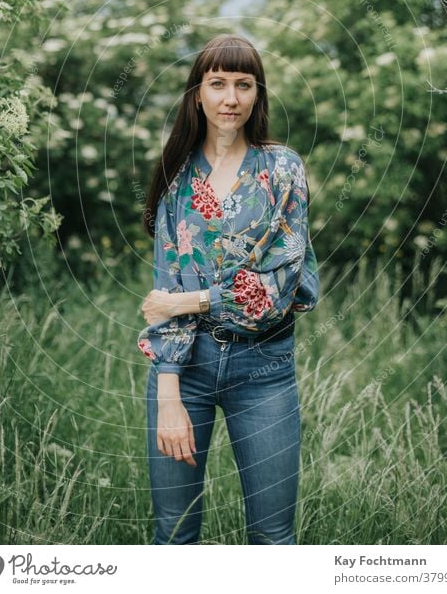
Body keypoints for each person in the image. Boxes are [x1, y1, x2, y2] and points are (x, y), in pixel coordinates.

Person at [137, 33, 320, 544]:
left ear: (258, 94)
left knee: (272, 539)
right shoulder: (178, 174)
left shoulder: (282, 169)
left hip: (263, 369)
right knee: (174, 537)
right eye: (217, 84)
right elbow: (163, 288)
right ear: (198, 93)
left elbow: (282, 284)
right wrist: (168, 393)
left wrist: (194, 300)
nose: (230, 98)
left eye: (243, 84)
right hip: (185, 369)